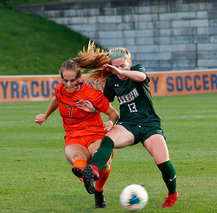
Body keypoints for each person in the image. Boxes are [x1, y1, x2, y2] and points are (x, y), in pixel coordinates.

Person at [75, 45, 178, 208]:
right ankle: (93, 170)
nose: (119, 70)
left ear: (129, 63)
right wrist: (93, 108)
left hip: (150, 125)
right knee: (108, 139)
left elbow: (141, 76)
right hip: (128, 125)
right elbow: (105, 101)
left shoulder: (137, 70)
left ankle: (172, 195)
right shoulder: (111, 80)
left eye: (122, 65)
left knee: (163, 162)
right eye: (115, 67)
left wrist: (122, 72)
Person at [35, 47, 119, 209]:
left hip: (95, 133)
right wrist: (45, 115)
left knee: (103, 163)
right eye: (64, 80)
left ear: (80, 77)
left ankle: (98, 191)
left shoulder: (93, 94)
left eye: (72, 80)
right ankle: (88, 179)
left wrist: (109, 121)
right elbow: (56, 99)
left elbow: (113, 113)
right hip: (73, 135)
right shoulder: (60, 89)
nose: (68, 84)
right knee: (77, 158)